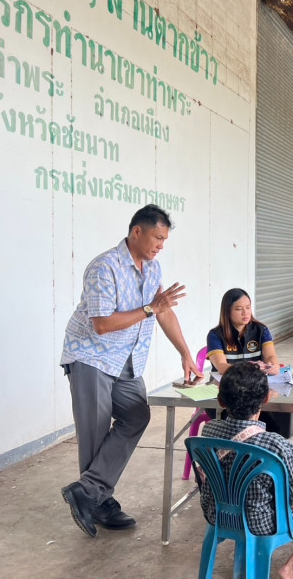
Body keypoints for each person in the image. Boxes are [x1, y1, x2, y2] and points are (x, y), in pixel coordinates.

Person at [59, 204, 203, 537]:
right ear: (136, 232)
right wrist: (150, 308)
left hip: (127, 359)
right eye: (157, 237)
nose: (161, 246)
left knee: (137, 415)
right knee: (95, 433)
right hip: (91, 356)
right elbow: (102, 324)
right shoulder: (104, 267)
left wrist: (185, 353)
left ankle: (88, 492)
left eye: (165, 240)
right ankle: (98, 501)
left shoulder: (152, 268)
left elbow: (163, 312)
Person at [198, 362, 293, 579]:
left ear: (220, 401)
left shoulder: (208, 432)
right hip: (262, 522)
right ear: (266, 399)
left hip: (218, 514)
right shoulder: (275, 445)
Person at [205, 288, 292, 436]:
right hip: (227, 394)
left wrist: (273, 365)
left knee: (275, 426)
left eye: (248, 307)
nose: (245, 313)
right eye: (239, 309)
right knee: (237, 428)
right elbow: (222, 366)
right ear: (227, 311)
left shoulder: (261, 330)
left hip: (254, 395)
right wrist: (251, 368)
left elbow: (271, 356)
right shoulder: (215, 335)